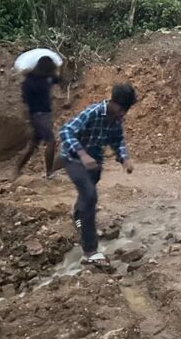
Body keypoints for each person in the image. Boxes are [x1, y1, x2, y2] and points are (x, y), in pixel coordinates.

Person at [58, 83, 137, 266]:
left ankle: (79, 218)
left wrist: (124, 158)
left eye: (126, 110)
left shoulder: (116, 119)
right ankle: (90, 251)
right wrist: (82, 154)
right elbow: (66, 131)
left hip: (94, 163)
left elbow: (117, 140)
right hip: (73, 158)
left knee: (87, 195)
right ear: (113, 103)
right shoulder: (92, 112)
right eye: (121, 109)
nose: (123, 114)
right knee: (89, 195)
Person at [14, 56, 60, 180]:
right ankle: (49, 173)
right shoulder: (32, 81)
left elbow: (58, 79)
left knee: (33, 145)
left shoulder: (41, 78)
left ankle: (17, 170)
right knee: (51, 141)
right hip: (39, 115)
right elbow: (26, 100)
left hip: (40, 115)